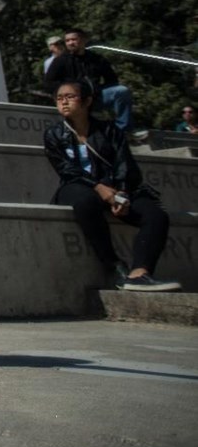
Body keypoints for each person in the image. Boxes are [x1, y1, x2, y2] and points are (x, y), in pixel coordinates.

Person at [44, 80, 179, 292]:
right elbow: (67, 170)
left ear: (87, 101)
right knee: (85, 202)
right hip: (78, 186)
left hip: (115, 186)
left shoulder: (109, 130)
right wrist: (98, 188)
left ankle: (140, 273)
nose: (64, 102)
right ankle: (114, 266)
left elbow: (124, 163)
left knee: (155, 216)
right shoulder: (53, 134)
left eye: (70, 97)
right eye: (59, 98)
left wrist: (122, 192)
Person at [45, 28, 134, 132]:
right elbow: (49, 83)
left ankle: (122, 129)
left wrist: (96, 89)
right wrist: (68, 90)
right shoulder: (60, 61)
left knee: (121, 91)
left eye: (74, 39)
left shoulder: (96, 59)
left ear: (83, 40)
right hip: (73, 100)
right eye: (67, 41)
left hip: (95, 97)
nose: (70, 43)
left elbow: (112, 79)